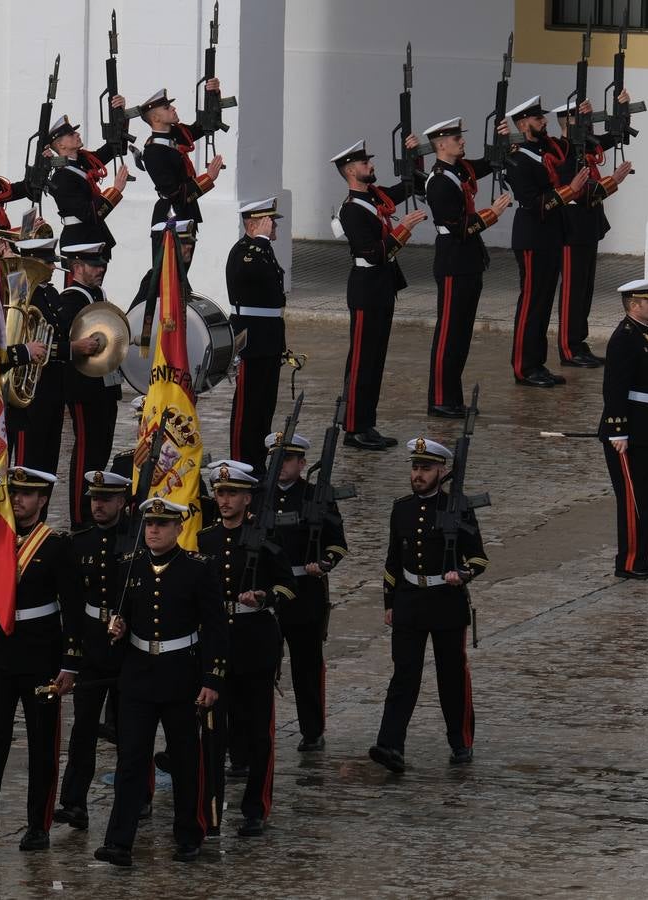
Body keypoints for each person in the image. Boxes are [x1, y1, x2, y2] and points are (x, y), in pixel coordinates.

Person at [0, 467, 81, 859]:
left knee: (43, 743)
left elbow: (73, 609)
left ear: (43, 500)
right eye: (14, 493)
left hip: (41, 653)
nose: (19, 500)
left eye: (27, 494)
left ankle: (38, 825)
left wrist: (71, 662)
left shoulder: (57, 546)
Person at [94, 498, 228, 868]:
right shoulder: (130, 566)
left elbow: (215, 627)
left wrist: (212, 677)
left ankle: (189, 833)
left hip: (181, 673)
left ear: (177, 529)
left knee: (185, 760)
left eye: (162, 525)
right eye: (149, 524)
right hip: (138, 674)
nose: (153, 530)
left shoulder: (198, 569)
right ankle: (119, 841)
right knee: (131, 760)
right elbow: (123, 613)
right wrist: (118, 629)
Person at [369, 437, 488, 774]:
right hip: (409, 600)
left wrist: (463, 573)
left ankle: (460, 741)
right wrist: (389, 602)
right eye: (415, 467)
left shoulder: (458, 507)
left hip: (447, 603)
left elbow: (479, 557)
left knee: (451, 677)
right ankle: (390, 744)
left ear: (442, 471)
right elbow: (393, 560)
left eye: (426, 468)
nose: (418, 474)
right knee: (403, 675)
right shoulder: (402, 508)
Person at [197, 461, 296, 837]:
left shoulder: (265, 537)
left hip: (255, 642)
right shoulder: (206, 539)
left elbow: (289, 586)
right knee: (213, 731)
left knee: (257, 733)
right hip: (217, 643)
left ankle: (255, 807)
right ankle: (210, 810)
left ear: (247, 497)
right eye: (220, 492)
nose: (224, 500)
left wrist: (266, 596)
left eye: (232, 493)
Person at [332, 140, 427, 450]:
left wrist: (413, 155)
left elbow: (407, 187)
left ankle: (367, 423)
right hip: (365, 288)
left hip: (382, 288)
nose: (370, 166)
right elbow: (373, 254)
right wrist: (404, 231)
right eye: (364, 164)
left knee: (375, 360)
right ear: (350, 171)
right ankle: (353, 428)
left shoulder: (374, 197)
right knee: (361, 361)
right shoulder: (351, 211)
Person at [54, 469, 131, 831]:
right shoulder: (77, 542)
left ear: (122, 502)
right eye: (94, 498)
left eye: (105, 499)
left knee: (132, 730)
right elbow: (69, 602)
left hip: (128, 646)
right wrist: (71, 652)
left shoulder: (137, 539)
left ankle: (138, 796)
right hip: (90, 643)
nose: (97, 505)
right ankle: (73, 802)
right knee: (83, 728)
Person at [421, 117, 513, 417]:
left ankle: (453, 398)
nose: (462, 141)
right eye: (457, 138)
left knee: (461, 335)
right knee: (448, 334)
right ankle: (439, 399)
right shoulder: (437, 181)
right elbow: (459, 227)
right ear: (441, 144)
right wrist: (492, 214)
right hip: (452, 259)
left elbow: (487, 163)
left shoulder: (457, 170)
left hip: (469, 259)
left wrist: (502, 139)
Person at [267, 432, 348, 752]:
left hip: (305, 590)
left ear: (302, 464)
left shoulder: (317, 495)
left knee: (307, 665)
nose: (280, 465)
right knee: (260, 667)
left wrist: (325, 561)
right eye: (275, 459)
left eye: (286, 459)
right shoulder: (259, 495)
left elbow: (337, 540)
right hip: (268, 594)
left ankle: (312, 730)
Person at [502, 96, 589, 388]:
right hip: (532, 237)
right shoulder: (517, 158)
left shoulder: (546, 148)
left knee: (542, 304)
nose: (545, 122)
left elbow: (570, 145)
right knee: (531, 303)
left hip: (552, 234)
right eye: (538, 119)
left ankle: (536, 363)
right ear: (523, 124)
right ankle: (523, 367)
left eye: (543, 118)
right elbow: (532, 203)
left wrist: (580, 119)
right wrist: (569, 191)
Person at [553, 99, 634, 368]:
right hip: (572, 227)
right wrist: (613, 181)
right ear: (569, 122)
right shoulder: (561, 152)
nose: (588, 125)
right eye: (582, 120)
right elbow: (582, 193)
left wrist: (623, 107)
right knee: (572, 291)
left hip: (589, 226)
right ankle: (568, 348)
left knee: (585, 290)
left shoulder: (585, 145)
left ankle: (579, 342)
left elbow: (617, 135)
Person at [59, 243, 121, 526]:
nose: (102, 269)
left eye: (103, 264)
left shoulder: (97, 294)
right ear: (77, 267)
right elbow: (63, 345)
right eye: (95, 265)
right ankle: (80, 517)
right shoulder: (71, 300)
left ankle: (95, 511)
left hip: (105, 386)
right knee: (86, 452)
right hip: (83, 388)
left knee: (101, 449)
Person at [599, 279, 648, 579]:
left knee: (642, 496)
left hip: (644, 428)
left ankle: (640, 560)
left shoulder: (640, 335)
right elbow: (614, 388)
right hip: (628, 433)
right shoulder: (624, 337)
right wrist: (618, 431)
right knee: (633, 498)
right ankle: (631, 562)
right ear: (635, 305)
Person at [226, 198, 288, 471]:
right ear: (254, 224)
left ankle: (257, 461)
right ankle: (241, 462)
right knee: (247, 406)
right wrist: (260, 239)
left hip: (269, 337)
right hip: (251, 339)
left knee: (264, 405)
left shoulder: (263, 250)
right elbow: (244, 273)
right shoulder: (245, 250)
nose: (274, 226)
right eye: (269, 221)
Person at [7, 238, 66, 475]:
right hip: (28, 390)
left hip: (52, 386)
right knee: (27, 463)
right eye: (47, 262)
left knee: (48, 461)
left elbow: (58, 333)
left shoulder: (50, 293)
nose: (53, 267)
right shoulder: (19, 292)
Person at [138, 87, 226, 231]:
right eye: (167, 107)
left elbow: (209, 123)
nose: (173, 108)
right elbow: (174, 194)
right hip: (171, 218)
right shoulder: (153, 152)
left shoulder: (177, 133)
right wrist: (208, 179)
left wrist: (214, 93)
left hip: (188, 211)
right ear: (155, 118)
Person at [45, 113, 130, 252]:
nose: (77, 134)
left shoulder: (83, 161)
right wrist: (115, 191)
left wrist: (120, 113)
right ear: (60, 144)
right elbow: (88, 214)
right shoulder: (61, 178)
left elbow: (115, 146)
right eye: (71, 134)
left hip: (96, 236)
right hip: (79, 240)